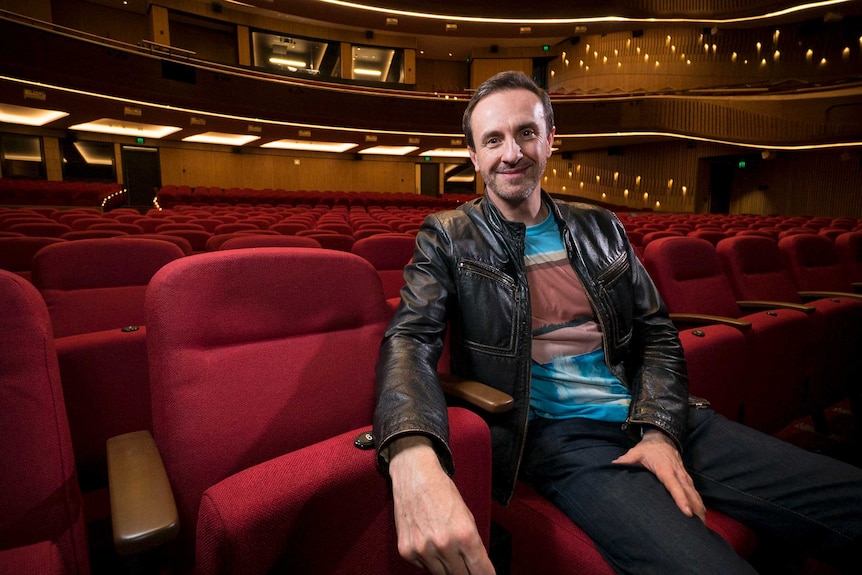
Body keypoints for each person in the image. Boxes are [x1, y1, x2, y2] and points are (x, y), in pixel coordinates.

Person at [372, 70, 862, 575]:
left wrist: (659, 431)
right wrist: (412, 451)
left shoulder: (600, 226)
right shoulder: (449, 236)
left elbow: (656, 335)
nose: (511, 153)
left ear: (550, 140)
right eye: (493, 140)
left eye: (525, 133)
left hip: (659, 414)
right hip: (563, 439)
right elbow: (410, 338)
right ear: (474, 157)